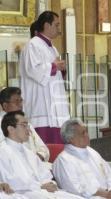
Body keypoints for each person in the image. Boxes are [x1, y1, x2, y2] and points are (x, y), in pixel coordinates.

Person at [0, 111, 83, 199]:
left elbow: (45, 175)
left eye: (28, 125)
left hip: (43, 192)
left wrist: (51, 184)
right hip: (23, 195)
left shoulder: (29, 153)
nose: (28, 129)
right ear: (10, 129)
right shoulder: (3, 153)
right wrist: (40, 187)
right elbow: (13, 184)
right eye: (24, 125)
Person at [19, 11, 69, 144]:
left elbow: (56, 74)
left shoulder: (53, 48)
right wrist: (54, 66)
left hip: (55, 106)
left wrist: (61, 70)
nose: (59, 29)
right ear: (47, 25)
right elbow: (33, 70)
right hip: (40, 105)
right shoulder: (32, 45)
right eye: (57, 25)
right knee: (43, 146)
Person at [52, 119, 111, 199]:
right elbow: (73, 190)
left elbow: (109, 174)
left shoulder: (92, 152)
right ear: (71, 138)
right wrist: (102, 193)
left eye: (86, 131)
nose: (87, 135)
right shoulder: (63, 160)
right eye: (83, 133)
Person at [0, 87, 50, 162]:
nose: (20, 105)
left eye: (21, 101)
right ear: (5, 106)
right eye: (16, 101)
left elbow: (44, 149)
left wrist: (38, 157)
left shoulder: (26, 123)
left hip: (36, 164)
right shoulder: (1, 124)